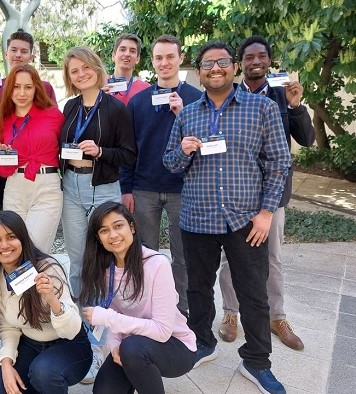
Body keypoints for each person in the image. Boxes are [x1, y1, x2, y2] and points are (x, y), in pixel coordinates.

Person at [163, 41, 291, 394]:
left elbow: (280, 162)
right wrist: (184, 151)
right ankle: (203, 343)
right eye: (207, 64)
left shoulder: (261, 107)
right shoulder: (188, 113)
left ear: (233, 67)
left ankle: (256, 361)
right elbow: (170, 164)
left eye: (221, 62)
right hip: (197, 218)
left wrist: (266, 213)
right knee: (197, 288)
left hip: (246, 220)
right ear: (199, 71)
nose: (215, 68)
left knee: (253, 293)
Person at [217, 35, 315, 350]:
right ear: (239, 64)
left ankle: (277, 317)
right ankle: (231, 314)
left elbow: (307, 139)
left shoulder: (281, 94)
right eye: (249, 57)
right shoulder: (227, 96)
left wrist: (296, 106)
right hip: (236, 194)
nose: (256, 61)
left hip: (273, 196)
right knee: (232, 258)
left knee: (272, 258)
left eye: (261, 56)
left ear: (269, 61)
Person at [60, 46, 137, 384]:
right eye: (74, 71)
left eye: (85, 68)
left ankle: (103, 340)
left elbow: (129, 153)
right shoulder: (70, 107)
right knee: (77, 263)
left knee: (105, 263)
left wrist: (101, 150)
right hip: (71, 188)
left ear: (96, 68)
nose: (81, 74)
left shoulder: (116, 108)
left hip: (104, 188)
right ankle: (82, 336)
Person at [120, 35, 202, 317]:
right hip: (144, 189)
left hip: (184, 189)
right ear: (152, 62)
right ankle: (147, 306)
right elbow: (129, 149)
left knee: (183, 256)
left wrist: (183, 114)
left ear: (180, 58)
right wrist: (126, 188)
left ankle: (182, 309)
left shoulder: (196, 99)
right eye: (159, 58)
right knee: (145, 255)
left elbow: (203, 143)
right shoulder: (139, 102)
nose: (164, 63)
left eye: (170, 57)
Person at [80, 201, 196, 394]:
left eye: (118, 226)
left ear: (132, 227)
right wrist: (115, 344)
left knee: (133, 350)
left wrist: (107, 318)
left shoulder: (157, 264)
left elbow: (162, 331)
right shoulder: (105, 268)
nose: (113, 235)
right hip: (131, 344)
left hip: (176, 346)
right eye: (104, 231)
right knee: (103, 391)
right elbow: (116, 309)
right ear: (99, 238)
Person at [0, 210, 92, 394]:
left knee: (43, 373)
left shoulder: (47, 268)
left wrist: (52, 300)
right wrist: (6, 363)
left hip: (68, 345)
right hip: (29, 345)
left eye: (11, 237)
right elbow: (8, 327)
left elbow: (72, 330)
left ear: (22, 239)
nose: (5, 245)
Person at [0, 29, 57, 211]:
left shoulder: (44, 88)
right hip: (1, 160)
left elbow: (52, 125)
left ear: (32, 56)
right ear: (6, 54)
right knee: (4, 221)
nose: (18, 55)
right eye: (14, 50)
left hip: (32, 167)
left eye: (23, 51)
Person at [0, 64, 64, 253]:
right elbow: (2, 171)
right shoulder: (5, 121)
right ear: (9, 90)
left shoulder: (54, 115)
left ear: (36, 89)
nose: (22, 93)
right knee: (13, 252)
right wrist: (4, 157)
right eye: (16, 87)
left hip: (46, 187)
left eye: (28, 87)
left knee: (35, 250)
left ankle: (47, 283)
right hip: (14, 189)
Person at [105, 33, 150, 106]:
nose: (127, 54)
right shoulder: (100, 85)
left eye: (132, 51)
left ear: (137, 59)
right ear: (113, 56)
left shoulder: (146, 89)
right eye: (122, 49)